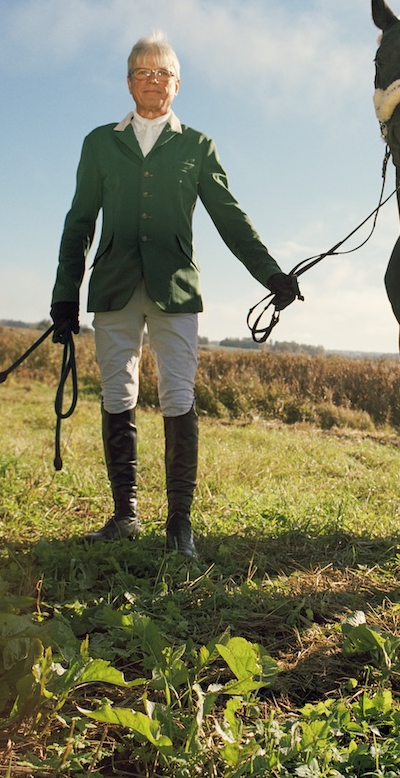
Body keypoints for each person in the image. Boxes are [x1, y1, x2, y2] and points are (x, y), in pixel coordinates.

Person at [49, 31, 300, 557]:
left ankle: (179, 525)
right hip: (114, 287)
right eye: (142, 71)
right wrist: (64, 293)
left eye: (162, 73)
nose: (152, 80)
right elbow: (79, 222)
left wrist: (271, 274)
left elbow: (230, 217)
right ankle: (125, 515)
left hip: (176, 290)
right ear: (128, 82)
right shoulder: (99, 143)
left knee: (179, 397)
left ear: (177, 84)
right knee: (118, 396)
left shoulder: (197, 146)